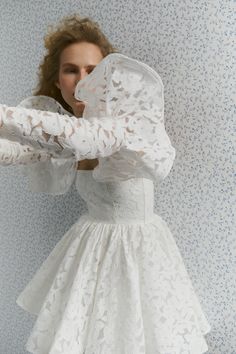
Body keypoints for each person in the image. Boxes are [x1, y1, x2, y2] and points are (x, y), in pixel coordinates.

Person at [0, 13, 211, 354]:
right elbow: (19, 149)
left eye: (93, 71)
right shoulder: (66, 131)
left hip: (136, 253)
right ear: (57, 80)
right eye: (71, 70)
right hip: (93, 249)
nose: (82, 81)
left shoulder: (126, 126)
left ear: (110, 79)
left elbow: (83, 140)